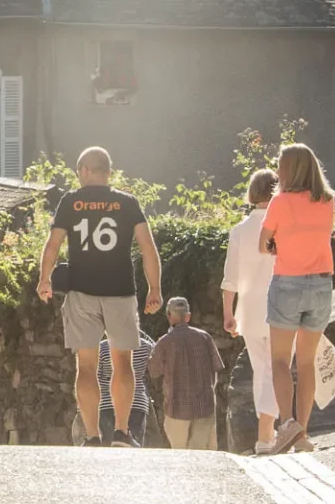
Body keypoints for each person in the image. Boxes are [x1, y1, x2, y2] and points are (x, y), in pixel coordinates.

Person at [37, 147, 163, 448]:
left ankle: (92, 436)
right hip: (120, 291)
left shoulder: (70, 202)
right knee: (123, 362)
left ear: (83, 170)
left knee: (87, 365)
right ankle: (121, 432)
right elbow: (147, 246)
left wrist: (44, 279)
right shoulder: (127, 202)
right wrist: (154, 288)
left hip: (82, 292)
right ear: (108, 171)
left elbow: (53, 245)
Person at [261, 143, 335, 455]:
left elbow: (264, 243)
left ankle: (287, 422)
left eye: (280, 165)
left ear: (288, 169)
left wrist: (277, 245)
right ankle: (303, 435)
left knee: (280, 359)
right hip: (321, 285)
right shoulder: (328, 201)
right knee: (306, 363)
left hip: (288, 284)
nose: (277, 169)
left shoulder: (279, 202)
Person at [223, 168, 281, 452]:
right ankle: (266, 434)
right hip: (280, 304)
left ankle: (267, 434)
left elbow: (229, 277)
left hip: (248, 309)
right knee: (277, 368)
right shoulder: (281, 226)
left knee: (262, 370)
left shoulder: (239, 230)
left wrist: (228, 314)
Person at [149, 297, 224, 450]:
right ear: (188, 316)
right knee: (202, 455)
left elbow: (154, 371)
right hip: (204, 407)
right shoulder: (205, 338)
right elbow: (217, 368)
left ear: (169, 316)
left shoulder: (164, 342)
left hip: (176, 408)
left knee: (180, 457)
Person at [95, 331, 155, 447]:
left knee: (108, 443)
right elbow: (158, 353)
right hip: (137, 402)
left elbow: (98, 377)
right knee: (133, 443)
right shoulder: (145, 346)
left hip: (107, 404)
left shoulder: (102, 347)